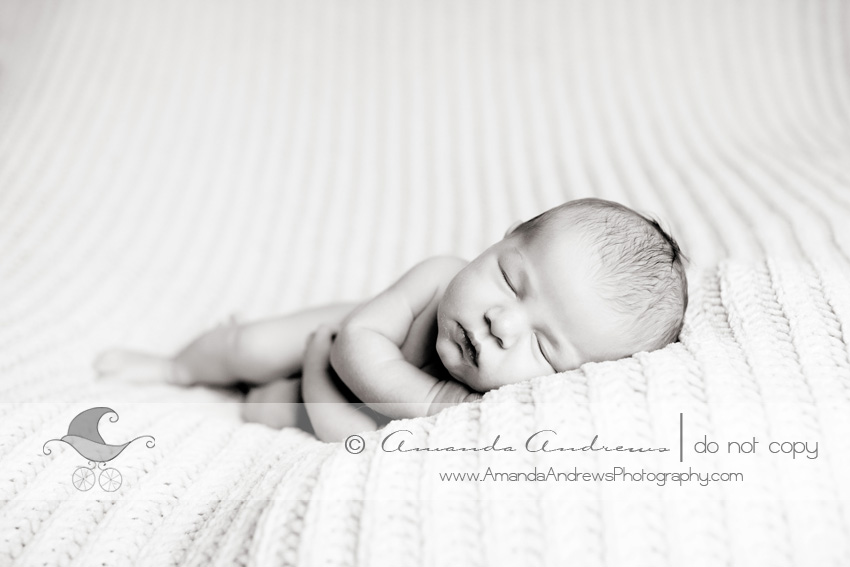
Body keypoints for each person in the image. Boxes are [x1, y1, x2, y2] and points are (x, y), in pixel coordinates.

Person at [94, 198, 688, 442]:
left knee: (264, 409)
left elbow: (347, 436)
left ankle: (260, 394)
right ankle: (177, 367)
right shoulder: (438, 276)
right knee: (247, 346)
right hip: (337, 340)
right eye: (510, 280)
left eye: (545, 347)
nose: (503, 322)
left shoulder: (501, 413)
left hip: (324, 400)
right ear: (503, 239)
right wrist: (431, 399)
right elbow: (354, 341)